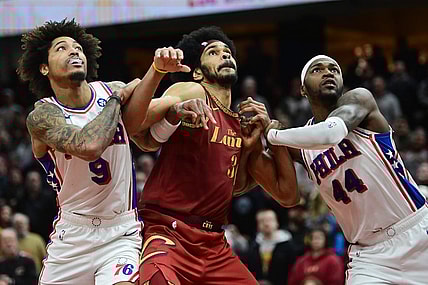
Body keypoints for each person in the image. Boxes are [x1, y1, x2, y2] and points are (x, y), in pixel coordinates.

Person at [17, 18, 188, 285]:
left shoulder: (110, 91)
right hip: (72, 236)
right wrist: (117, 99)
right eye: (61, 48)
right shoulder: (43, 115)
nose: (74, 51)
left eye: (77, 47)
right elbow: (90, 147)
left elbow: (143, 121)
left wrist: (159, 73)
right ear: (43, 67)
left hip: (120, 230)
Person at [126, 26, 299, 284]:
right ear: (197, 72)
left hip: (214, 243)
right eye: (214, 52)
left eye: (228, 52)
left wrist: (270, 138)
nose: (225, 55)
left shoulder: (241, 126)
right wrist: (171, 106)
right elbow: (134, 124)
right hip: (169, 231)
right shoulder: (193, 91)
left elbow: (287, 195)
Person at [265, 55, 428, 284]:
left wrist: (273, 135)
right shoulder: (301, 146)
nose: (328, 72)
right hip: (370, 256)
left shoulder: (360, 100)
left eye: (334, 69)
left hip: (417, 233)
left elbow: (331, 134)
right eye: (317, 70)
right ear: (302, 89)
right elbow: (282, 190)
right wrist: (258, 131)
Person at [247, 209, 296, 285]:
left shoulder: (287, 245)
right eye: (262, 221)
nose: (266, 224)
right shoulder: (254, 245)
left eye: (269, 220)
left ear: (277, 222)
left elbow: (292, 270)